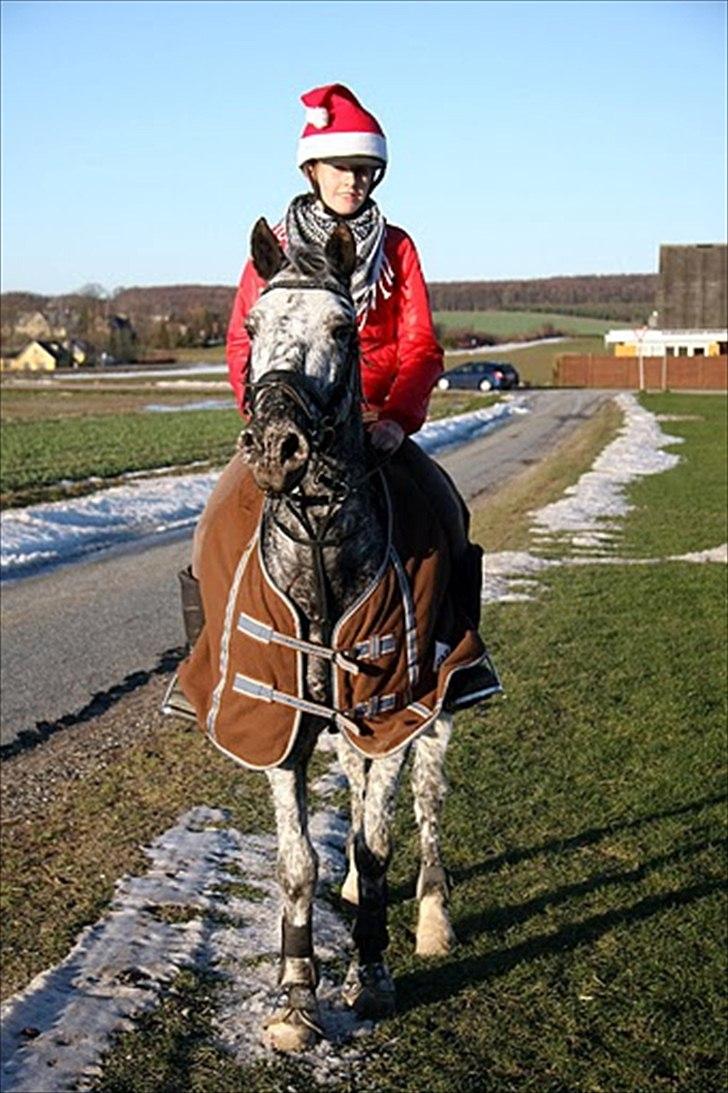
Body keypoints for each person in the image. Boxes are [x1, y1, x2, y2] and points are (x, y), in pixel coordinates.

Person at [165, 83, 484, 719]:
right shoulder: (274, 248)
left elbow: (420, 343)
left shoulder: (396, 248)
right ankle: (207, 665)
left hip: (373, 422)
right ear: (313, 169)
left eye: (368, 171)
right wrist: (264, 419)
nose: (356, 181)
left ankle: (458, 658)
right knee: (215, 528)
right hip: (288, 418)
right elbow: (242, 339)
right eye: (345, 168)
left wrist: (396, 420)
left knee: (446, 512)